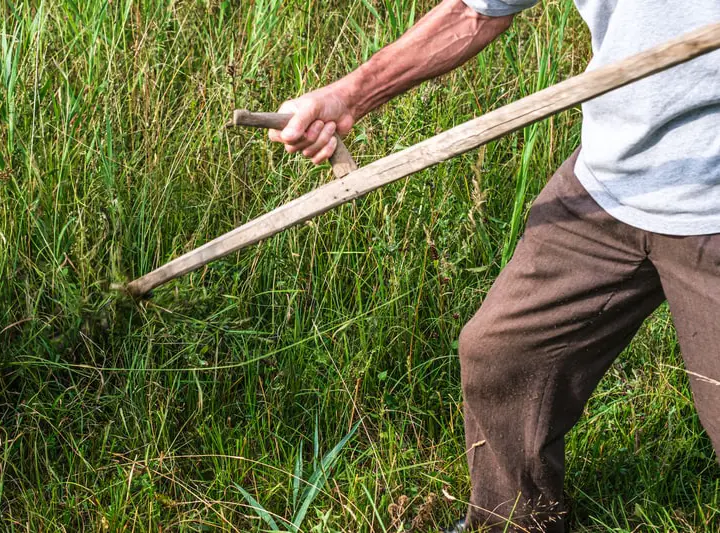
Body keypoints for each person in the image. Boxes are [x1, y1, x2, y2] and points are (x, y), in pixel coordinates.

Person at [266, 0, 720, 531]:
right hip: (610, 181)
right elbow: (475, 10)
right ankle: (514, 521)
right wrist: (346, 96)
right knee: (504, 354)